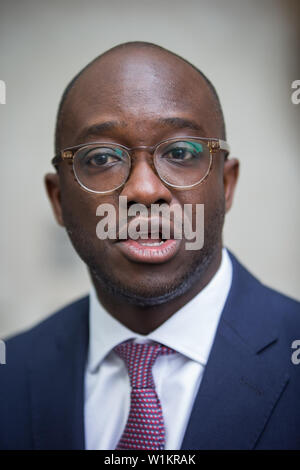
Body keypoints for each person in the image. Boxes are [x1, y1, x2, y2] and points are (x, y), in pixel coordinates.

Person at [0, 41, 299, 451]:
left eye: (180, 151)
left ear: (226, 186)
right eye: (102, 158)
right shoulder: (10, 374)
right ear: (58, 200)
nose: (143, 189)